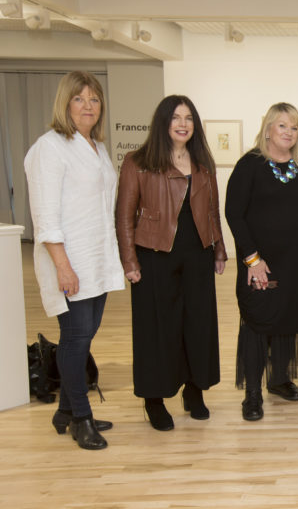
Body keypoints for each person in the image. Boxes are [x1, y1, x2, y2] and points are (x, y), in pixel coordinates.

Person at [24, 71, 124, 450]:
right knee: (76, 338)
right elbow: (45, 215)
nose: (88, 106)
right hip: (69, 260)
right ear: (65, 104)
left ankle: (65, 410)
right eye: (79, 99)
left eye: (94, 99)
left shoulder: (95, 148)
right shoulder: (49, 148)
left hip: (96, 257)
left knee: (84, 337)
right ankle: (81, 418)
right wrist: (63, 266)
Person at [116, 95, 227, 431]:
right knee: (156, 328)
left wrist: (219, 248)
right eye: (176, 117)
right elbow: (123, 216)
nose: (183, 124)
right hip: (154, 253)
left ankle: (194, 392)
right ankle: (154, 399)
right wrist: (129, 261)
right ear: (163, 122)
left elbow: (212, 209)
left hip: (198, 253)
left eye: (189, 118)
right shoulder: (138, 161)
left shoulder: (202, 161)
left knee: (198, 324)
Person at [225, 102, 298, 421]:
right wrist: (253, 260)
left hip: (297, 264)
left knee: (288, 319)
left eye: (294, 127)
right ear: (267, 129)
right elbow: (234, 214)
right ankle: (252, 393)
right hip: (261, 263)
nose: (289, 133)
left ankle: (278, 380)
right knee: (258, 322)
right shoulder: (249, 165)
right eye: (282, 126)